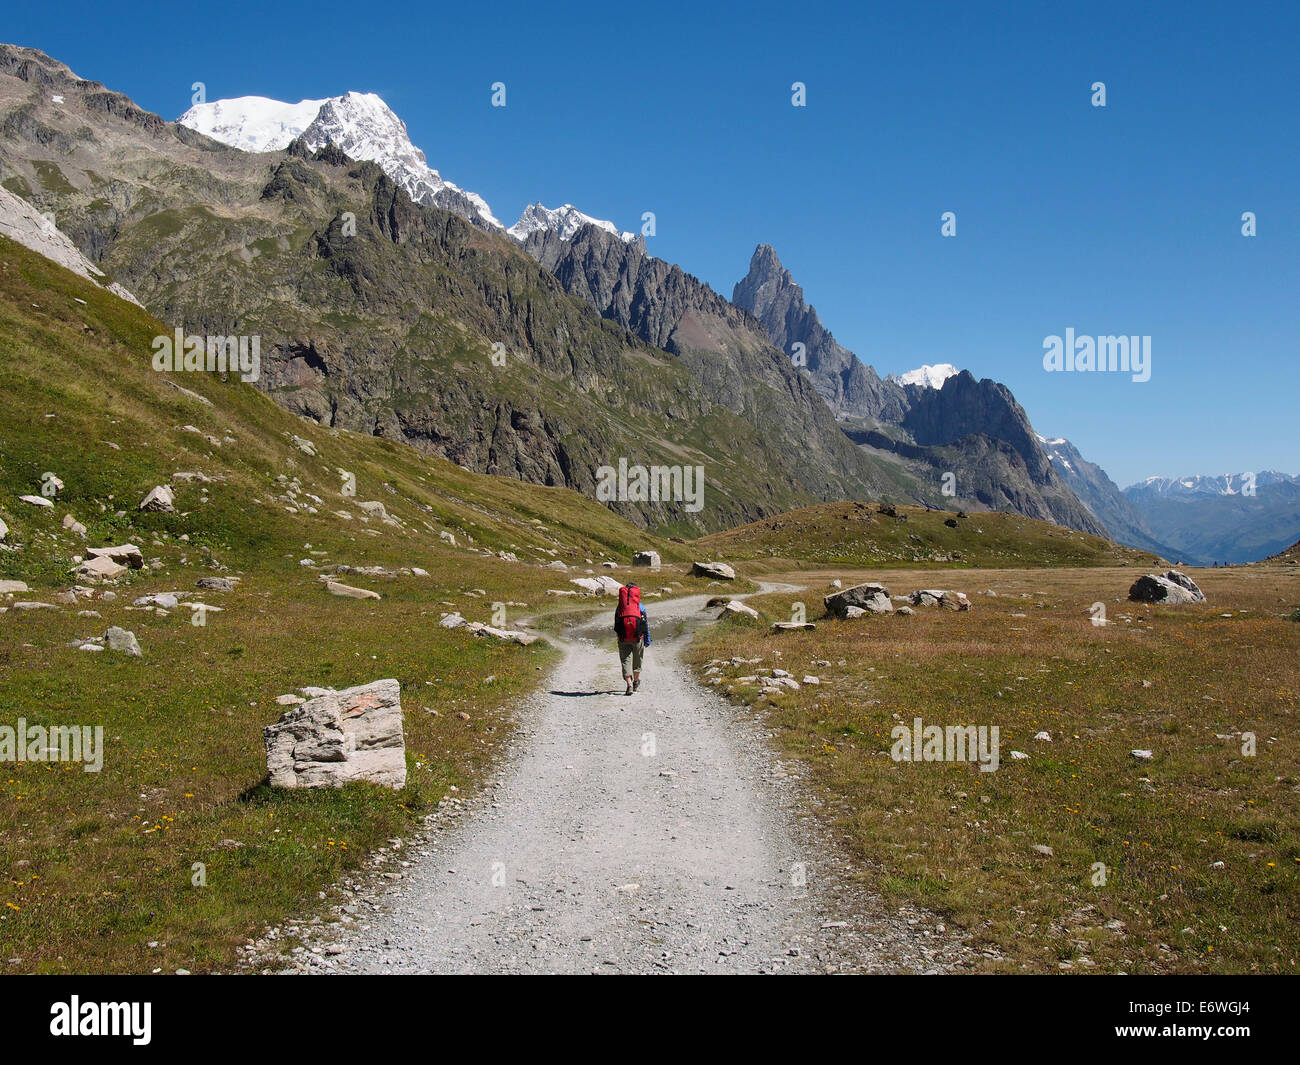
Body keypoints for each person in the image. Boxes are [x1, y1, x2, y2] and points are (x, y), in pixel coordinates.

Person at [614, 582, 651, 696]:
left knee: (625, 661)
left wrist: (619, 636)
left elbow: (616, 624)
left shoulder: (620, 607)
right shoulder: (640, 606)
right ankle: (636, 681)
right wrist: (647, 638)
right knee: (637, 661)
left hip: (623, 638)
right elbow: (645, 623)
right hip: (638, 637)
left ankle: (629, 684)